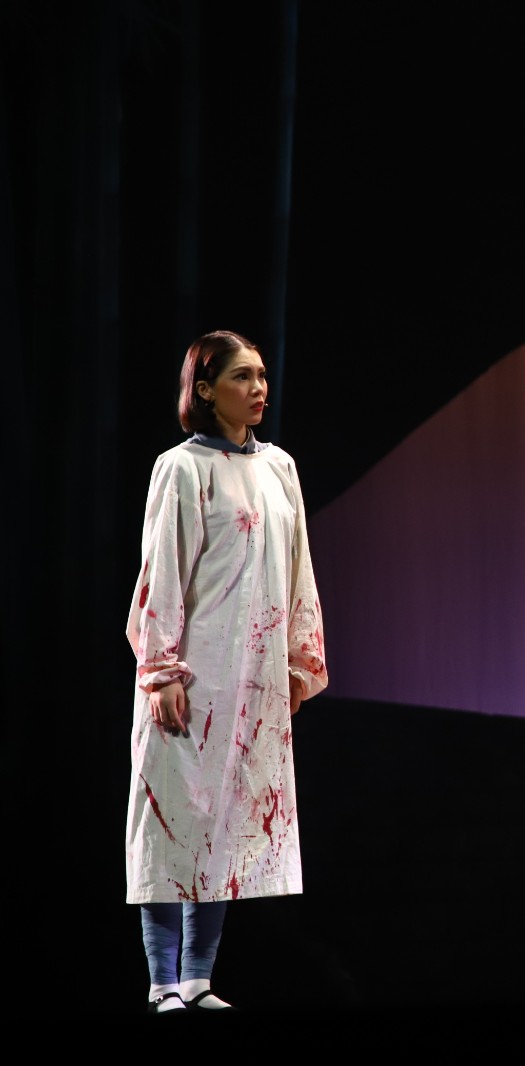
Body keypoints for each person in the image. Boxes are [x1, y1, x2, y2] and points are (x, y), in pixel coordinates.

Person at [125, 330, 327, 1012]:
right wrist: (161, 671)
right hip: (192, 674)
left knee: (226, 822)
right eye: (243, 376)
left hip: (253, 673)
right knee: (172, 821)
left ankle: (198, 979)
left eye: (262, 375)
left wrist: (297, 661)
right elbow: (162, 571)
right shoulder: (180, 468)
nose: (259, 388)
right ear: (206, 390)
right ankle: (161, 982)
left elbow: (297, 568)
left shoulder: (279, 467)